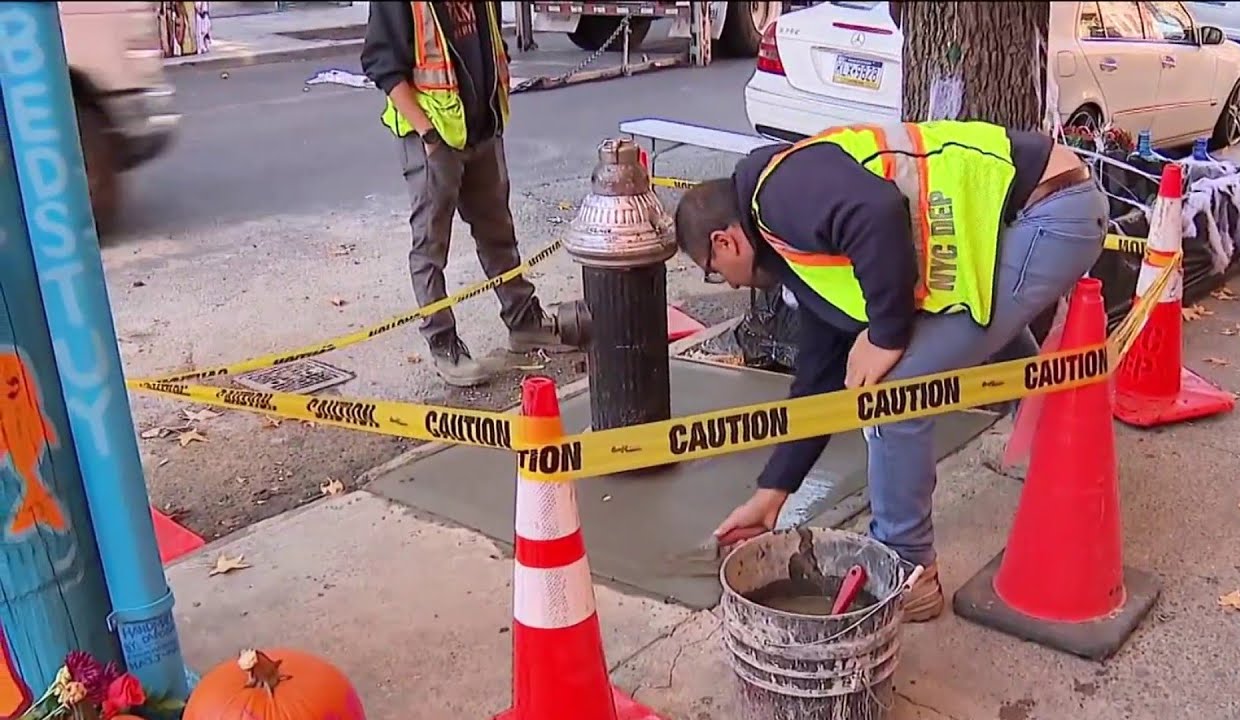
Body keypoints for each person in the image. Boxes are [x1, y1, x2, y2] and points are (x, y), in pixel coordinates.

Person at [673, 120, 1107, 622]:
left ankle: (908, 568)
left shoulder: (778, 194)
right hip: (1024, 214)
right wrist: (771, 496)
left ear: (725, 243)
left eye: (711, 271)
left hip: (1051, 211)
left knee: (895, 391)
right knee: (951, 337)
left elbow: (876, 211)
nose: (723, 285)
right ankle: (1062, 462)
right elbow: (819, 380)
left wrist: (886, 335)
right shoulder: (794, 250)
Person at [361, 2, 568, 388]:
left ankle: (524, 322)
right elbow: (382, 65)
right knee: (430, 248)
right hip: (434, 140)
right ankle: (444, 345)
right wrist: (428, 136)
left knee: (498, 233)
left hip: (481, 128)